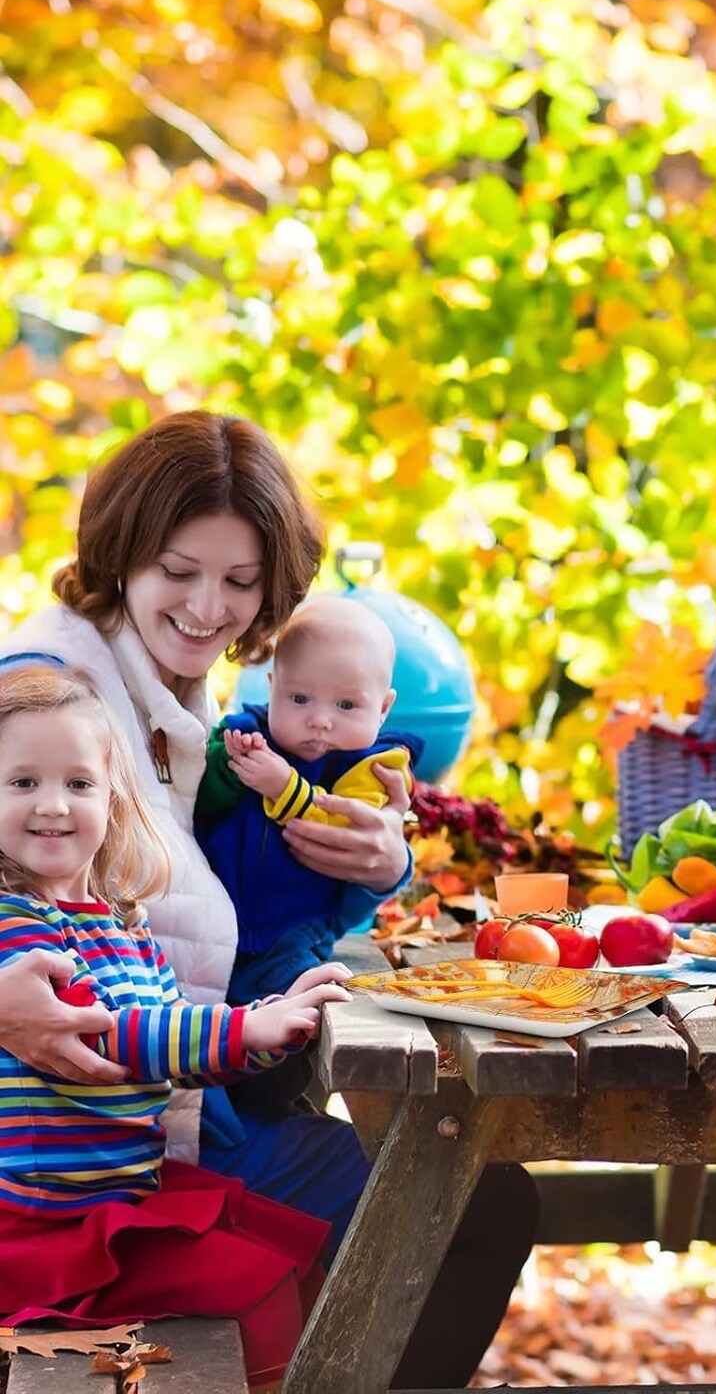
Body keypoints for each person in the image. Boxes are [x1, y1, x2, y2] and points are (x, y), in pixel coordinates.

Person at [0, 410, 536, 1388]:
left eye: (241, 583)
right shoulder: (52, 692)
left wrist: (375, 869)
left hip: (187, 1108)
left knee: (461, 1191)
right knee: (465, 1204)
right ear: (122, 554)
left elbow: (229, 916)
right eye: (180, 571)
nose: (211, 608)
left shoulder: (188, 698)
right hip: (90, 1169)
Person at [0, 663, 350, 1385]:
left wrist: (261, 1036)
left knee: (297, 1254)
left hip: (121, 1194)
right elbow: (106, 1032)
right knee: (256, 1289)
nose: (53, 806)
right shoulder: (14, 925)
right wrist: (244, 1026)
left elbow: (172, 1044)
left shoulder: (124, 926)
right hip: (45, 1229)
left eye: (78, 783)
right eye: (23, 782)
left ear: (112, 798)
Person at [196, 597, 420, 1006]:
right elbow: (194, 798)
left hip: (294, 931)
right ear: (272, 687)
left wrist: (284, 788)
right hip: (209, 924)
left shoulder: (376, 767)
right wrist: (227, 768)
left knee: (296, 1003)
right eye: (299, 699)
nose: (319, 719)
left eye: (346, 705)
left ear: (384, 708)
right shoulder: (247, 733)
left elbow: (346, 834)